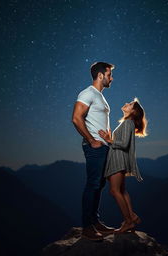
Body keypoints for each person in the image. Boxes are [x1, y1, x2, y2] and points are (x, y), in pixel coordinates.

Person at [72, 62, 115, 240]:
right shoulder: (87, 93)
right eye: (109, 75)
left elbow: (99, 122)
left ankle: (95, 222)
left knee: (99, 185)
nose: (111, 78)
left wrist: (108, 139)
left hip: (104, 147)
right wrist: (91, 140)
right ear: (100, 76)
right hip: (94, 148)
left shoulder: (100, 96)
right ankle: (87, 227)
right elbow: (76, 118)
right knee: (93, 184)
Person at [98, 98, 148, 233]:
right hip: (120, 159)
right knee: (121, 190)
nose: (126, 103)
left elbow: (124, 143)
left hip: (118, 159)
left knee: (114, 191)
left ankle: (128, 222)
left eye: (130, 104)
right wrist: (110, 139)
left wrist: (109, 140)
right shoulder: (128, 123)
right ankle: (131, 215)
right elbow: (122, 141)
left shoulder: (127, 123)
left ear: (133, 111)